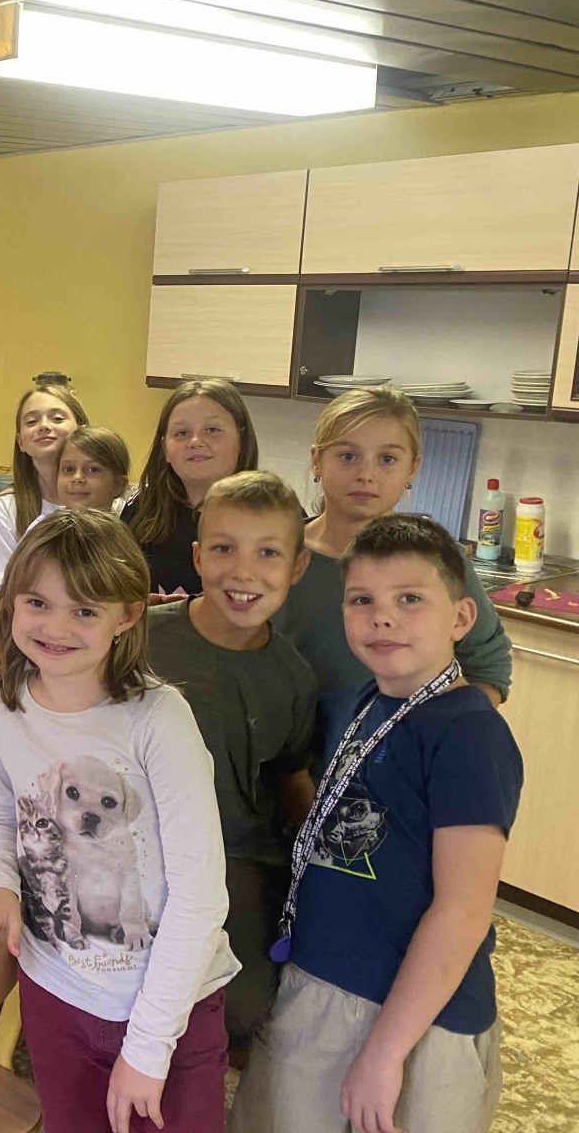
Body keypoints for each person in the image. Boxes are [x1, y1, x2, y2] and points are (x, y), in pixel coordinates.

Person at [0, 508, 238, 1133]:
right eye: (37, 602)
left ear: (126, 615)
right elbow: (3, 816)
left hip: (171, 1008)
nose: (55, 627)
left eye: (84, 610)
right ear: (11, 600)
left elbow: (201, 896)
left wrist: (148, 1046)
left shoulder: (158, 720)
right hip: (54, 991)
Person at [229, 514, 522, 1133]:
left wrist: (386, 1053)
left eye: (410, 599)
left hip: (411, 1018)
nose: (382, 617)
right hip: (321, 981)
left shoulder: (469, 733)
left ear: (461, 618)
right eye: (362, 600)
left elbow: (463, 910)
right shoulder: (356, 704)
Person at [145, 471, 317, 1062]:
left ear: (297, 566)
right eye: (224, 549)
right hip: (138, 840)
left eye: (268, 553)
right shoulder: (141, 639)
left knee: (240, 1011)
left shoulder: (294, 677)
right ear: (197, 557)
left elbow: (290, 778)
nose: (243, 573)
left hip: (234, 857)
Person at [274, 386, 512, 705]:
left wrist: (448, 727)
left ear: (412, 467)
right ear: (317, 461)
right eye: (347, 456)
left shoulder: (437, 558)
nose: (365, 474)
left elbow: (489, 667)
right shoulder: (274, 554)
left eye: (387, 459)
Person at [122, 379, 259, 599]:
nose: (195, 441)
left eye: (212, 430)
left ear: (242, 440)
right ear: (165, 449)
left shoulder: (274, 513)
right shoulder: (140, 509)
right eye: (182, 433)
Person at [0, 377, 87, 593]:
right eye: (31, 422)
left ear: (82, 430)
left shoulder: (113, 500)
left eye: (57, 418)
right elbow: (5, 595)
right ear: (20, 442)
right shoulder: (6, 508)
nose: (44, 426)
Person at [58, 425, 131, 513]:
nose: (77, 478)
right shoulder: (45, 521)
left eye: (93, 469)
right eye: (69, 469)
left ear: (118, 485)